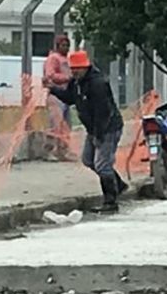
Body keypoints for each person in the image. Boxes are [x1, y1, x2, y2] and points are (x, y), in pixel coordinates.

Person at [45, 50, 128, 213]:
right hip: (93, 128)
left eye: (77, 69)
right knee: (88, 160)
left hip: (108, 127)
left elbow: (103, 112)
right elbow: (70, 98)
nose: (74, 72)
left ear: (85, 67)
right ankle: (118, 185)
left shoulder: (97, 84)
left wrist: (99, 135)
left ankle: (110, 201)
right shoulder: (77, 82)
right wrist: (53, 89)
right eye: (72, 69)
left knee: (102, 165)